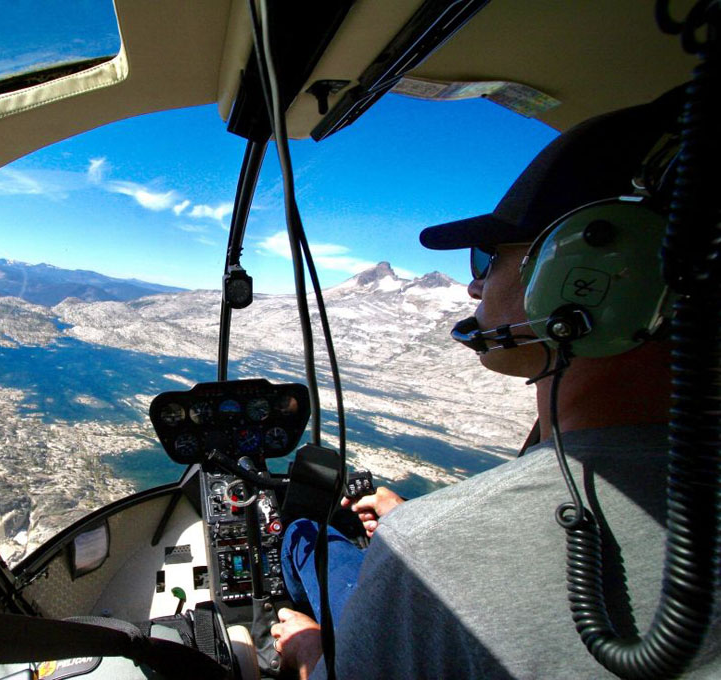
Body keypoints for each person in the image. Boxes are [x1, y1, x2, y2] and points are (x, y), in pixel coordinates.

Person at [269, 93, 720, 678]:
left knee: (306, 535)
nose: (473, 290)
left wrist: (311, 652)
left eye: (486, 257)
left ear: (584, 277)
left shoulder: (431, 549)